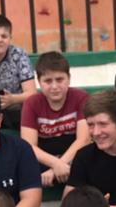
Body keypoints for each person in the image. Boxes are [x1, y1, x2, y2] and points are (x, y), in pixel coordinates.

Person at [20, 51, 90, 188]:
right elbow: (29, 146)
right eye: (48, 81)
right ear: (39, 82)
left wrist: (59, 166)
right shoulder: (31, 103)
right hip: (45, 160)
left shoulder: (81, 98)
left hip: (74, 157)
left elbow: (84, 139)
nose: (54, 86)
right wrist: (55, 164)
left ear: (69, 78)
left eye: (59, 79)